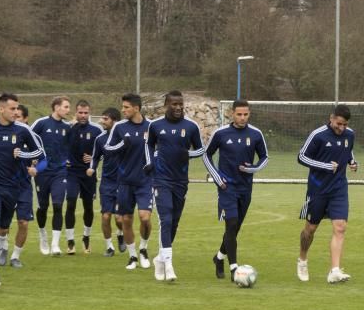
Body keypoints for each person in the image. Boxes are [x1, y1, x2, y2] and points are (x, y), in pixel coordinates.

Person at [0, 92, 44, 289]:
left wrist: (22, 154)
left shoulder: (23, 130)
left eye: (17, 109)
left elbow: (39, 152)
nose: (16, 112)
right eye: (12, 109)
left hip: (15, 187)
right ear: (1, 109)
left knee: (5, 227)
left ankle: (5, 250)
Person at [203, 99, 268, 281]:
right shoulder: (221, 133)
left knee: (235, 228)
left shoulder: (256, 134)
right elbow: (207, 155)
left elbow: (265, 157)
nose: (242, 118)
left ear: (249, 114)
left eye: (245, 114)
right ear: (232, 113)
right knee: (231, 224)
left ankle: (219, 257)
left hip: (245, 188)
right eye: (239, 114)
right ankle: (234, 268)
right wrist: (217, 179)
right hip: (227, 187)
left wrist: (251, 169)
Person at [145, 90, 205, 281]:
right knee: (166, 218)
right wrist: (150, 163)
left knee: (175, 222)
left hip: (181, 180)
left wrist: (187, 154)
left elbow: (201, 150)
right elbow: (148, 146)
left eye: (181, 104)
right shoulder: (155, 126)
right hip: (161, 179)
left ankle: (160, 259)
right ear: (166, 105)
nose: (178, 107)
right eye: (174, 104)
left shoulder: (191, 126)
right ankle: (169, 265)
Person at [297, 104, 357, 283]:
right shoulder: (318, 135)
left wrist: (353, 162)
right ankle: (302, 259)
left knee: (340, 227)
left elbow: (348, 152)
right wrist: (325, 166)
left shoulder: (350, 134)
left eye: (345, 124)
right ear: (332, 118)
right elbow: (301, 157)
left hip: (339, 188)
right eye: (339, 123)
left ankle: (335, 271)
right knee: (310, 230)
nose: (342, 128)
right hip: (318, 189)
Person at [105, 93, 153, 270]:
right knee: (126, 220)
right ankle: (132, 256)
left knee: (145, 218)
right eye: (122, 107)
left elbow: (158, 150)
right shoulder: (119, 127)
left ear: (136, 108)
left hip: (145, 181)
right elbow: (108, 149)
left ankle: (143, 250)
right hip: (124, 181)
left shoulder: (151, 127)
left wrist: (152, 164)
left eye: (126, 107)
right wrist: (122, 145)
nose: (123, 110)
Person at [0, 104, 41, 268]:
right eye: (13, 116)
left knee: (23, 222)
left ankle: (15, 256)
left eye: (18, 117)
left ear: (25, 119)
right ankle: (2, 247)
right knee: (3, 227)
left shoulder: (32, 137)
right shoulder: (4, 135)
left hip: (24, 187)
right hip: (5, 186)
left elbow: (44, 158)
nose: (14, 119)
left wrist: (36, 169)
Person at [31, 96, 71, 256]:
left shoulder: (67, 128)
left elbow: (69, 147)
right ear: (56, 107)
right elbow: (27, 138)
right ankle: (43, 236)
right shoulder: (41, 123)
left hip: (60, 171)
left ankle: (55, 244)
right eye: (66, 107)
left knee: (58, 205)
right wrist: (32, 157)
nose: (68, 110)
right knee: (42, 207)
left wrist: (68, 159)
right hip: (42, 170)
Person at [87, 107, 126, 257]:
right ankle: (109, 246)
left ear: (114, 121)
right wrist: (92, 168)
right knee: (105, 216)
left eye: (105, 119)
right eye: (102, 118)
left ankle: (121, 233)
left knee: (119, 218)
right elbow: (95, 157)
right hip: (107, 182)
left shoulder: (123, 137)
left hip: (122, 182)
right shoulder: (100, 139)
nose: (102, 121)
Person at [65, 99, 102, 254]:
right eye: (80, 112)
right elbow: (59, 145)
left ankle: (86, 237)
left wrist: (94, 158)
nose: (83, 115)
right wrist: (63, 159)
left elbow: (104, 150)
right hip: (71, 172)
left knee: (88, 206)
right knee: (71, 202)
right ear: (76, 112)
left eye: (86, 113)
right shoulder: (68, 128)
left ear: (89, 113)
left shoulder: (97, 130)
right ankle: (70, 240)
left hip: (88, 174)